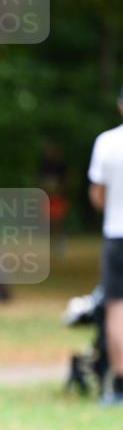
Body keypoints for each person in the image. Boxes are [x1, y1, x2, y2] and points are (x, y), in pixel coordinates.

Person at [88, 88, 123, 406]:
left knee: (116, 308)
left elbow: (97, 194)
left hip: (116, 233)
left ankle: (120, 384)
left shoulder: (107, 142)